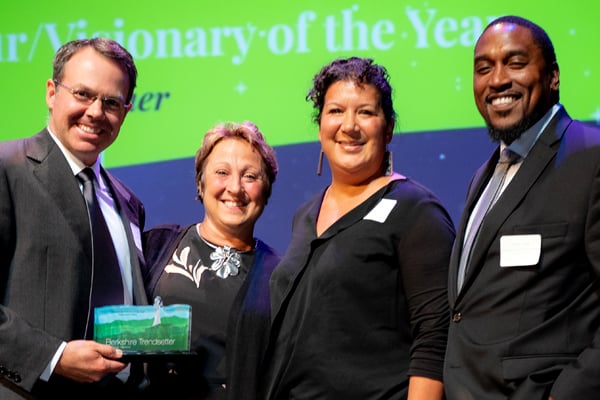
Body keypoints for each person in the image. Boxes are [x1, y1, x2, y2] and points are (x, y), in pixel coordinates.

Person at [259, 57, 455, 399]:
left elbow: (435, 337)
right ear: (320, 127)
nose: (349, 126)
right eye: (336, 111)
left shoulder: (416, 211)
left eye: (365, 112)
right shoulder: (305, 215)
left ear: (388, 127)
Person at [444, 15, 600, 400]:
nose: (497, 80)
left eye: (515, 63)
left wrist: (567, 393)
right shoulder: (483, 177)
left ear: (553, 76)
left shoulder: (591, 158)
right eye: (484, 68)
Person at [0, 38, 148, 399]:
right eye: (83, 94)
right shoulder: (8, 169)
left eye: (111, 102)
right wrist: (54, 357)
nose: (96, 112)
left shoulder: (129, 203)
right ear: (52, 93)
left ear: (126, 112)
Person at [141, 121, 280, 400]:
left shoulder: (280, 277)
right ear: (200, 183)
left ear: (266, 191)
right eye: (222, 172)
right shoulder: (156, 245)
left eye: (250, 176)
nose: (235, 187)